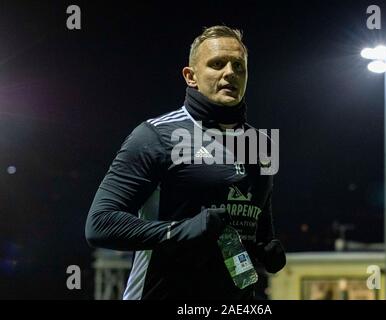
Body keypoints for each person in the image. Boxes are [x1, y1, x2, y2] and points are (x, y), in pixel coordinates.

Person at [85, 25, 286, 300]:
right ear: (191, 76)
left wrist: (266, 248)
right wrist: (179, 230)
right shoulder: (155, 135)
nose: (230, 73)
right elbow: (100, 224)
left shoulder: (262, 145)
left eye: (239, 66)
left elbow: (256, 224)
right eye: (217, 64)